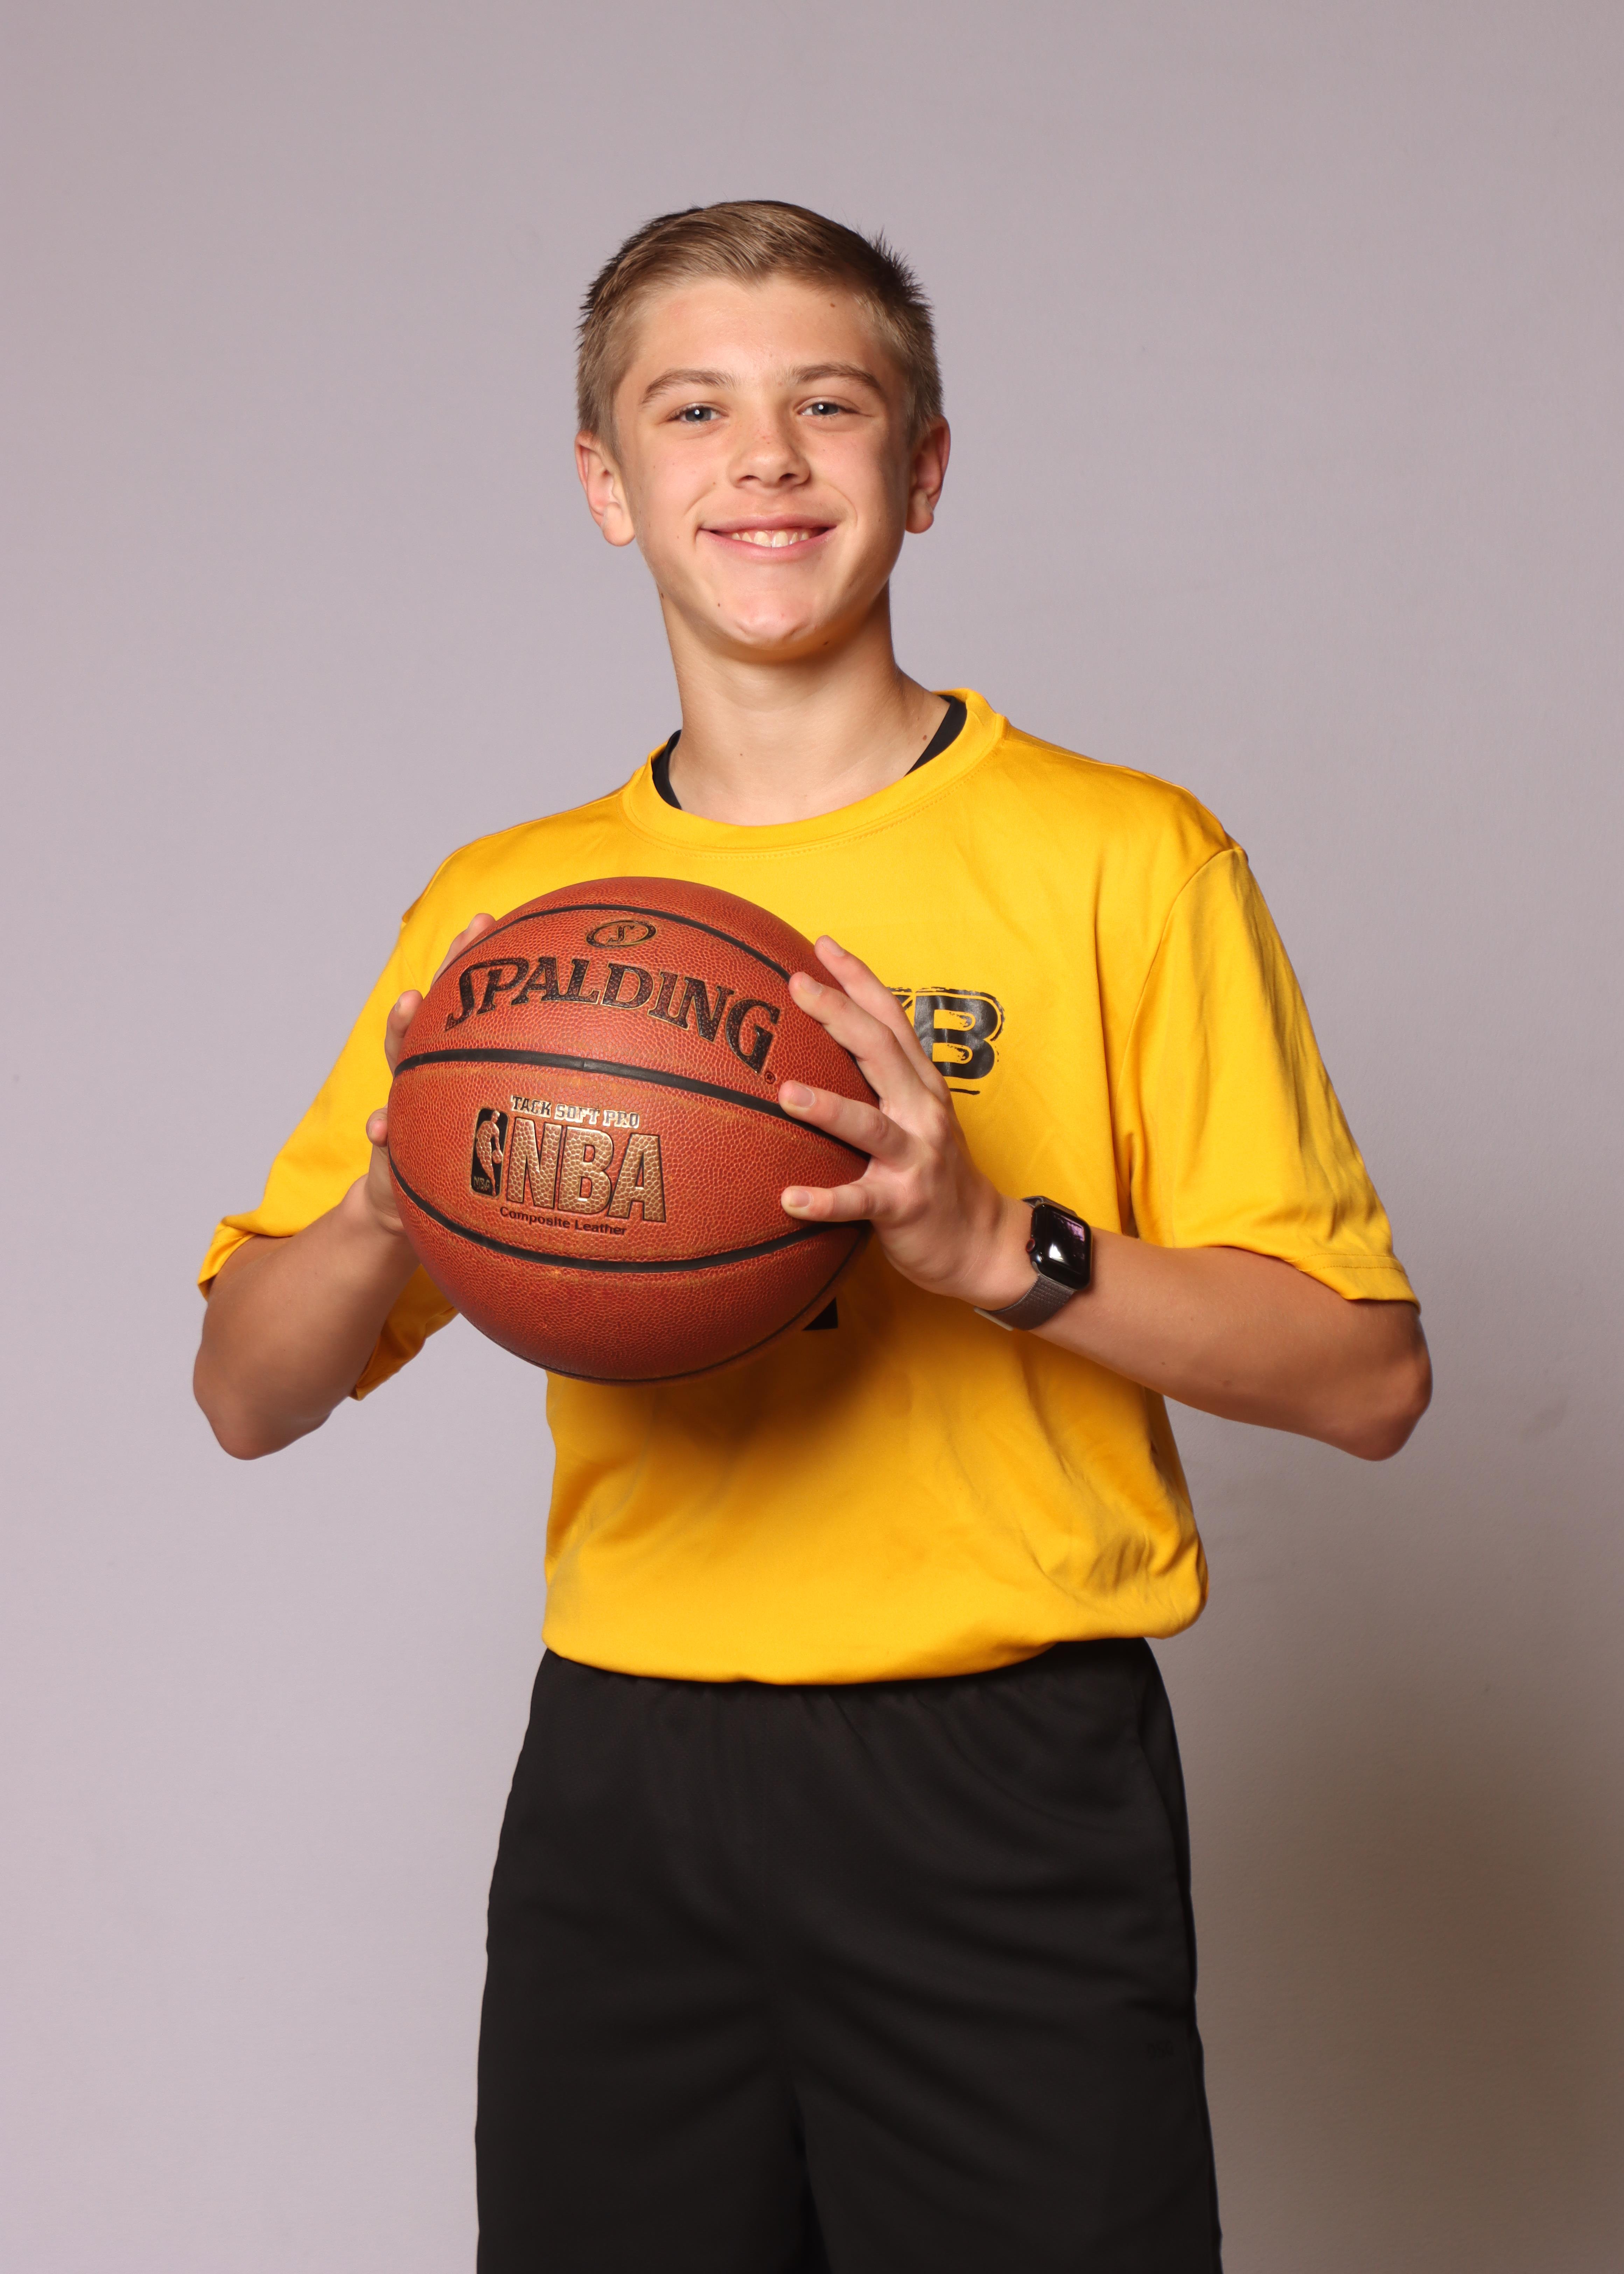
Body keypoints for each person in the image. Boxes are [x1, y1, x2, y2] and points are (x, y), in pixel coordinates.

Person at [194, 200, 1430, 2273]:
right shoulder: (509, 922)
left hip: (1000, 1771)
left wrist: (995, 1246)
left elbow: (1370, 1379)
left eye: (829, 406)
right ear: (607, 482)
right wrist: (401, 1197)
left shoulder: (1124, 857)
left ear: (923, 470)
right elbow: (246, 1394)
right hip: (624, 1770)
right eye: (692, 409)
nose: (763, 457)